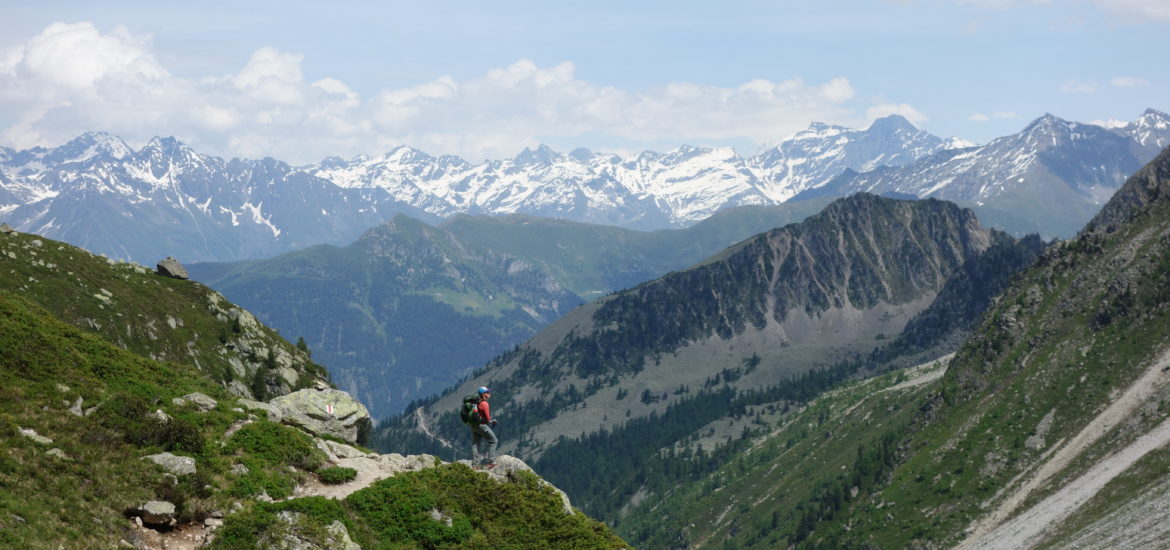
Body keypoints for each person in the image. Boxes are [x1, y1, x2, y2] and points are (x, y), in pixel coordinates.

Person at [470, 386, 498, 467]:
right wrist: (491, 421)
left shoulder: (476, 403)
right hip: (481, 426)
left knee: (475, 444)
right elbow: (487, 418)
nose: (489, 393)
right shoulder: (484, 404)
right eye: (488, 392)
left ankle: (474, 465)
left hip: (474, 425)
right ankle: (491, 461)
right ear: (484, 394)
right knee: (493, 441)